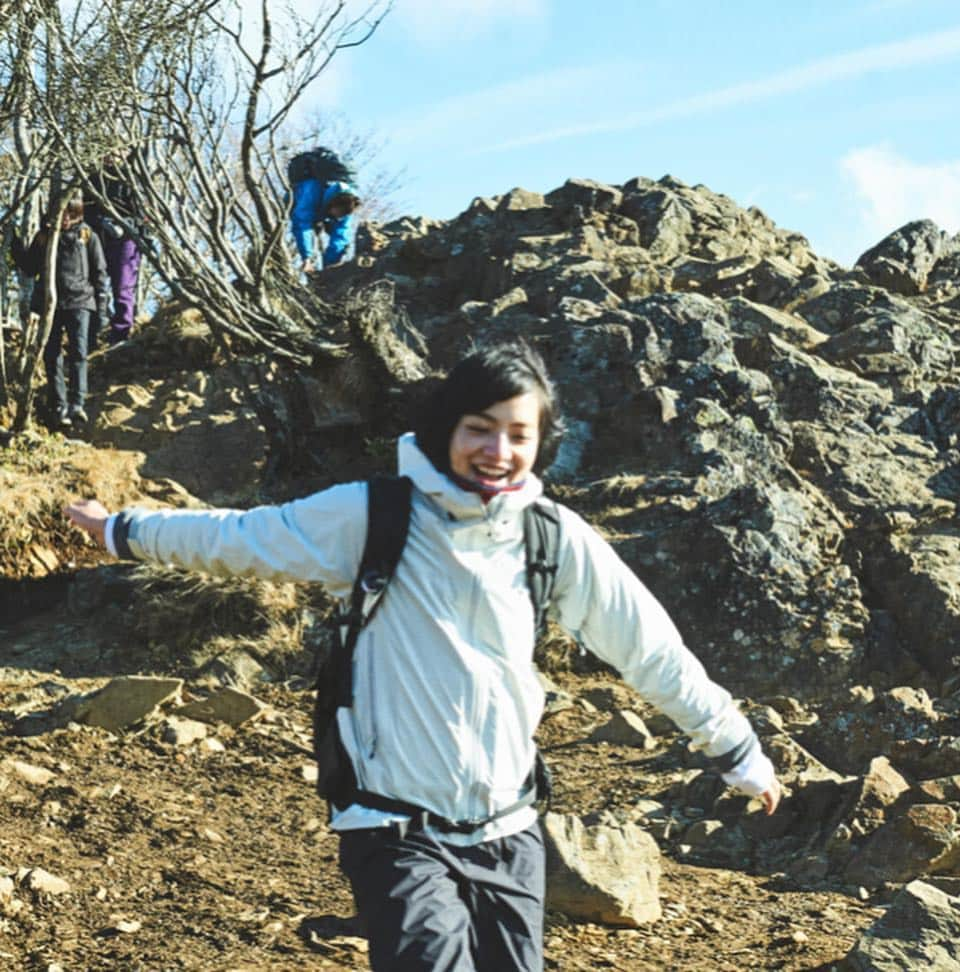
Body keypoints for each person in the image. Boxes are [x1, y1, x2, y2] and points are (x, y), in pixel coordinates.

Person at [65, 341, 781, 972]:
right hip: (393, 825)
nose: (497, 451)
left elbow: (650, 647)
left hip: (510, 828)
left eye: (517, 434)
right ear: (445, 431)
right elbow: (247, 539)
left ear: (541, 443)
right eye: (479, 429)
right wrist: (125, 530)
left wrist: (734, 746)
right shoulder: (376, 515)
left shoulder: (554, 540)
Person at [13, 191, 109, 428]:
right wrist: (14, 242)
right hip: (49, 304)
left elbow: (99, 273)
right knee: (51, 354)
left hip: (80, 302)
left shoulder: (88, 236)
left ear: (77, 214)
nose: (65, 218)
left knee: (78, 352)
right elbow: (29, 267)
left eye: (70, 214)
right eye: (61, 213)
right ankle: (59, 404)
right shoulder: (44, 236)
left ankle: (77, 404)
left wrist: (102, 310)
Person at [84, 155, 145, 346]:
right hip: (98, 239)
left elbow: (143, 213)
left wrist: (126, 224)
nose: (109, 158)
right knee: (94, 287)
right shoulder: (91, 179)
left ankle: (121, 334)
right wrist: (99, 222)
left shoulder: (131, 177)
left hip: (125, 240)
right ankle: (93, 333)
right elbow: (86, 211)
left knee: (123, 287)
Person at [291, 176, 360, 274]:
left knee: (337, 234)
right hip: (296, 201)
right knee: (304, 224)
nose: (338, 217)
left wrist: (329, 267)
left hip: (322, 210)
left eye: (341, 216)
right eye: (337, 213)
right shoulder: (312, 190)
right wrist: (307, 258)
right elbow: (302, 225)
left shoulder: (348, 206)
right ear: (333, 205)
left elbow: (340, 238)